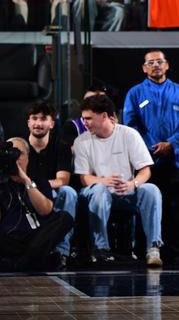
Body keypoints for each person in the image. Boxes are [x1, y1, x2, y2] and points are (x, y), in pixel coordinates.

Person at [124, 50, 179, 265]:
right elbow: (130, 124)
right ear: (144, 68)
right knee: (145, 206)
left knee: (176, 209)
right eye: (151, 62)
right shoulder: (135, 93)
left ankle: (174, 253)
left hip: (174, 161)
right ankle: (144, 249)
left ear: (167, 65)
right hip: (146, 163)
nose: (156, 65)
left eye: (159, 61)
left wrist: (172, 143)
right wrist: (150, 146)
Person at [73, 94, 163, 267]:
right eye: (83, 118)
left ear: (104, 116)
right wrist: (103, 181)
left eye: (89, 118)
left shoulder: (129, 134)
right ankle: (101, 249)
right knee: (99, 190)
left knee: (151, 190)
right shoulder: (81, 141)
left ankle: (153, 248)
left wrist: (132, 184)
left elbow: (145, 170)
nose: (84, 123)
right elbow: (84, 178)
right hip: (97, 194)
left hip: (125, 192)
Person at [0, 137, 74, 271]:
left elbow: (45, 210)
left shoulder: (38, 181)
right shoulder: (2, 183)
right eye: (10, 153)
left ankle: (22, 263)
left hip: (36, 239)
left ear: (27, 157)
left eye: (19, 153)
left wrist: (26, 181)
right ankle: (30, 262)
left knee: (64, 217)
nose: (15, 158)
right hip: (9, 239)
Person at [25, 101, 77, 269]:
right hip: (25, 192)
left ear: (52, 123)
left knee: (68, 192)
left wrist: (38, 185)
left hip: (51, 191)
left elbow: (63, 180)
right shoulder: (20, 146)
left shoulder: (61, 146)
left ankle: (62, 251)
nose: (38, 123)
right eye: (34, 118)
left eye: (43, 119)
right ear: (28, 122)